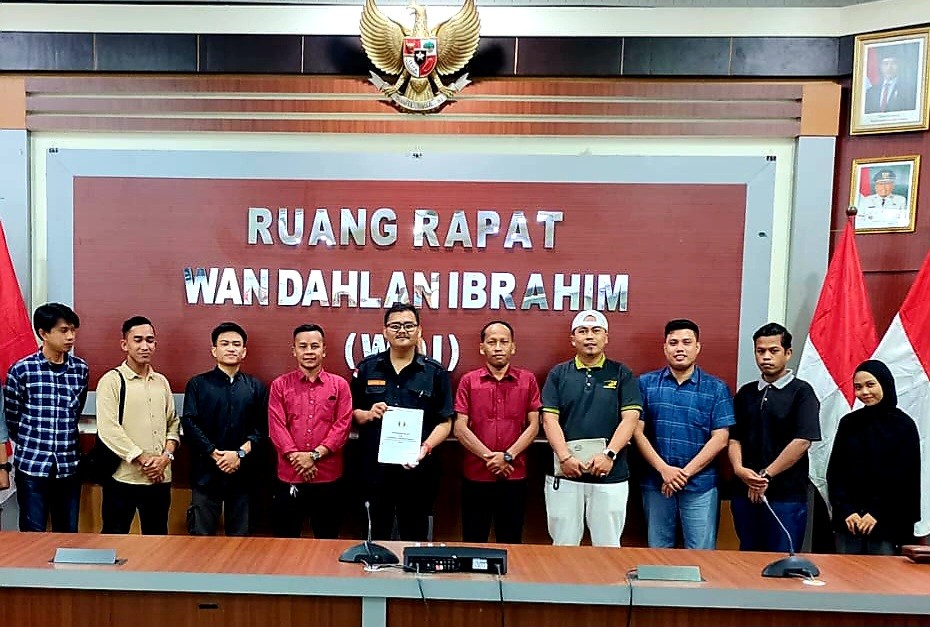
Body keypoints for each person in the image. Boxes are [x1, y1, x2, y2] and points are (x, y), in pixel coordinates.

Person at [351, 303, 454, 541]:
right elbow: (350, 413)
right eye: (395, 326)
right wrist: (368, 414)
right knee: (375, 539)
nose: (402, 331)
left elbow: (445, 421)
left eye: (409, 325)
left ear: (419, 330)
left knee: (415, 538)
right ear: (384, 331)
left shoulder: (435, 372)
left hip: (418, 472)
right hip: (375, 472)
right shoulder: (367, 368)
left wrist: (425, 448)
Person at [541, 309, 642, 547]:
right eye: (582, 331)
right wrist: (565, 458)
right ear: (572, 338)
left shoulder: (622, 373)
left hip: (610, 475)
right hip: (566, 474)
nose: (589, 336)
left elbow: (630, 419)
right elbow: (549, 420)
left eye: (596, 331)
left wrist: (609, 455)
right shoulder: (558, 374)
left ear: (606, 337)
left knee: (608, 546)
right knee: (563, 546)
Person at [634, 319, 734, 550]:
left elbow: (721, 438)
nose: (680, 348)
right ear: (665, 348)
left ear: (697, 347)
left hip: (700, 484)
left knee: (701, 552)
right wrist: (664, 470)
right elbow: (637, 432)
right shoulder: (645, 384)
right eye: (674, 343)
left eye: (687, 343)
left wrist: (683, 474)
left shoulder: (716, 388)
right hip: (656, 482)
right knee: (658, 551)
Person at [728, 322, 821, 553]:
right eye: (760, 351)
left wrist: (765, 476)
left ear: (788, 353)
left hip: (785, 496)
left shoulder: (802, 392)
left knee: (782, 560)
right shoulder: (746, 393)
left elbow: (802, 441)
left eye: (773, 350)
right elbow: (734, 438)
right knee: (747, 558)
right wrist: (739, 469)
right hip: (744, 492)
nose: (766, 357)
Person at [454, 320, 541, 543]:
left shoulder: (528, 380)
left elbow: (534, 426)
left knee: (511, 540)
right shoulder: (468, 381)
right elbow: (460, 427)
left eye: (504, 342)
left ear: (513, 347)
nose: (498, 347)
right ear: (482, 347)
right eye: (492, 342)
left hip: (514, 473)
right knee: (474, 539)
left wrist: (508, 456)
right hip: (476, 474)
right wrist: (490, 458)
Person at [3, 303, 88, 532]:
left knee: (68, 533)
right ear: (43, 333)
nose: (70, 337)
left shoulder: (80, 369)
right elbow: (12, 416)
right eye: (63, 331)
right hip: (32, 465)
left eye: (73, 330)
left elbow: (75, 411)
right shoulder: (22, 370)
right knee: (33, 534)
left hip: (68, 465)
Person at [96, 316, 180, 535]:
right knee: (115, 539)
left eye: (150, 340)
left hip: (159, 478)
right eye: (138, 340)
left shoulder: (161, 382)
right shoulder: (112, 381)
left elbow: (173, 423)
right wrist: (143, 458)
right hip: (123, 479)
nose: (145, 346)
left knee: (157, 540)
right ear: (125, 344)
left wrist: (164, 458)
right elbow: (108, 429)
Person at [181, 322, 267, 536]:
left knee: (241, 540)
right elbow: (190, 423)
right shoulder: (197, 384)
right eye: (225, 344)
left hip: (243, 474)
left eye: (236, 344)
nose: (231, 348)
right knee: (200, 539)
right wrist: (214, 453)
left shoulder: (256, 387)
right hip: (206, 473)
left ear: (244, 351)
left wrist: (239, 454)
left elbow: (262, 428)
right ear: (214, 350)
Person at [827, 360, 920, 555]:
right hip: (849, 522)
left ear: (885, 384)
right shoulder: (849, 423)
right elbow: (836, 473)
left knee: (882, 573)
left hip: (887, 523)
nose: (864, 392)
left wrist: (876, 513)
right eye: (858, 387)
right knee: (845, 572)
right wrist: (847, 510)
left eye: (870, 385)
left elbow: (904, 479)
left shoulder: (903, 426)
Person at [268, 324, 352, 539]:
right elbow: (277, 426)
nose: (309, 351)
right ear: (294, 350)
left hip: (327, 476)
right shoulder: (279, 385)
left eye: (314, 346)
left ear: (324, 350)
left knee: (327, 539)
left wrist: (314, 456)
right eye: (303, 346)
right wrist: (297, 458)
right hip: (290, 474)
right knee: (285, 540)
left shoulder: (340, 385)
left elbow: (342, 426)